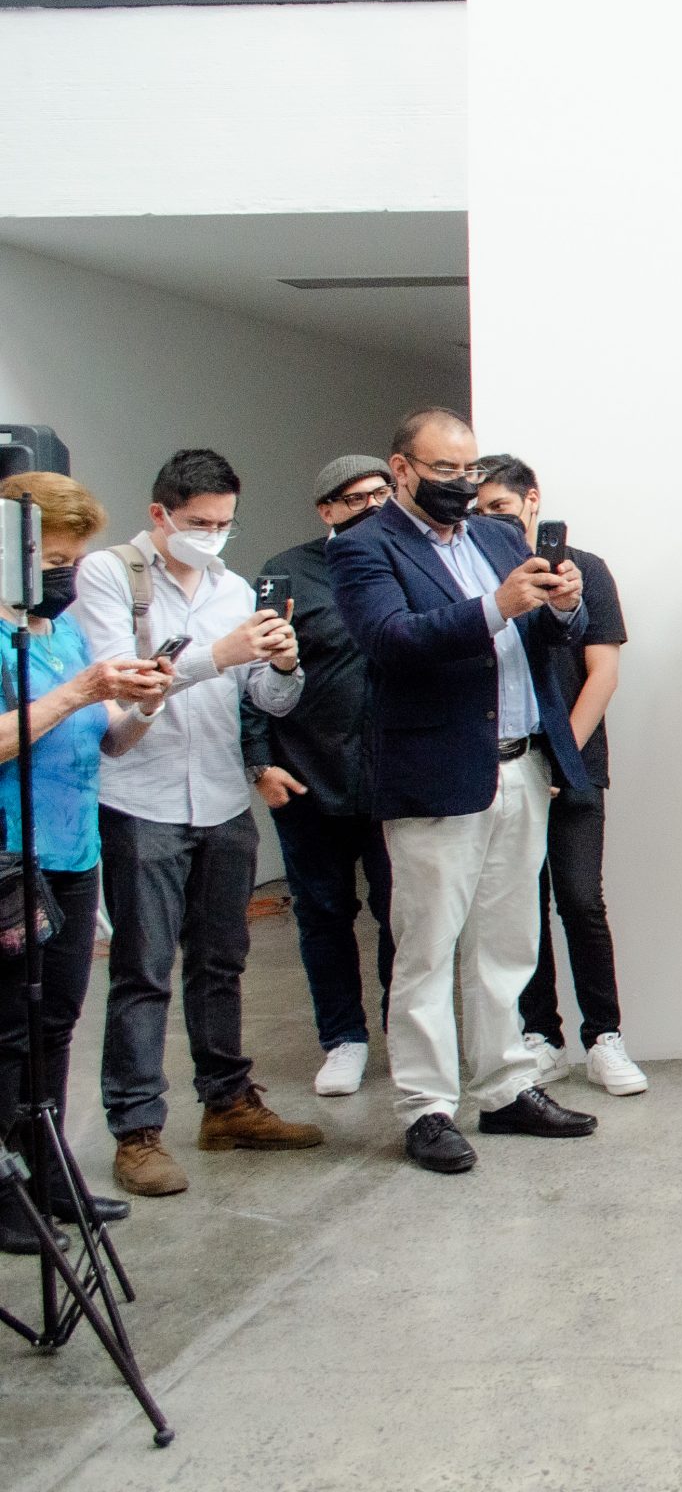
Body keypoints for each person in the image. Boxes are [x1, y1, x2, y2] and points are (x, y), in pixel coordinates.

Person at [330, 409, 600, 1174]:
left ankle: (505, 1086)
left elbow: (546, 640)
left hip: (520, 764)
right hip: (435, 773)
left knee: (508, 941)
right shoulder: (363, 549)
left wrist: (561, 605)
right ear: (403, 468)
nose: (462, 485)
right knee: (425, 949)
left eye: (470, 470)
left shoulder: (495, 537)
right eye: (445, 471)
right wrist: (497, 607)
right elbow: (392, 641)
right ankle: (425, 1107)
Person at [72, 448, 322, 1198]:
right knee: (143, 968)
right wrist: (220, 654)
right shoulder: (110, 576)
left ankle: (227, 1104)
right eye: (197, 523)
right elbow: (119, 685)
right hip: (140, 795)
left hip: (219, 796)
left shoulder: (234, 587)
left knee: (222, 961)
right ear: (161, 515)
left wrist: (281, 664)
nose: (211, 536)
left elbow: (268, 703)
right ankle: (137, 1131)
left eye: (223, 524)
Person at [0, 472, 170, 1252]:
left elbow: (105, 738)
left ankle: (47, 1168)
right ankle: (4, 1189)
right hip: (10, 856)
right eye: (56, 558)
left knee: (56, 1020)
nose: (66, 574)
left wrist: (140, 704)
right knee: (7, 1027)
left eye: (76, 557)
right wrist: (77, 693)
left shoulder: (55, 629)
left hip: (72, 848)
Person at [473, 454, 645, 1097]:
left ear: (532, 501)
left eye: (499, 507)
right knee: (520, 907)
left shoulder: (584, 570)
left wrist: (561, 760)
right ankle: (540, 1037)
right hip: (499, 762)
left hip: (571, 761)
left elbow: (603, 672)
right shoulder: (475, 576)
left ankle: (605, 1037)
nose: (489, 520)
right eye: (477, 510)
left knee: (580, 899)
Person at [240, 455, 397, 1098]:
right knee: (324, 913)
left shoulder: (413, 563)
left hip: (397, 779)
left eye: (383, 494)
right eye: (356, 499)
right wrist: (260, 762)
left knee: (403, 916)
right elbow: (249, 674)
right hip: (306, 775)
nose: (373, 507)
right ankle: (343, 1041)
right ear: (327, 510)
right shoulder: (287, 572)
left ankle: (406, 1035)